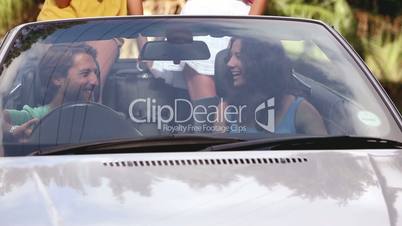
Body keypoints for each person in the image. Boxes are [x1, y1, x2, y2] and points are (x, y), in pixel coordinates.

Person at [217, 37, 327, 135]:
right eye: (230, 56)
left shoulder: (301, 110)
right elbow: (215, 154)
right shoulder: (226, 110)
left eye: (239, 56)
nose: (230, 63)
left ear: (263, 63)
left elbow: (327, 154)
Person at [37, 0, 144, 99]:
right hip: (61, 28)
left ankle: (93, 113)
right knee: (59, 88)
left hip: (106, 33)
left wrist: (147, 53)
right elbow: (61, 3)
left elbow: (138, 19)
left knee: (92, 89)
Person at [2, 43, 100, 141]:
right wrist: (12, 130)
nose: (95, 81)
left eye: (95, 73)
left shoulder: (104, 117)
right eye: (85, 74)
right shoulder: (36, 117)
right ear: (57, 78)